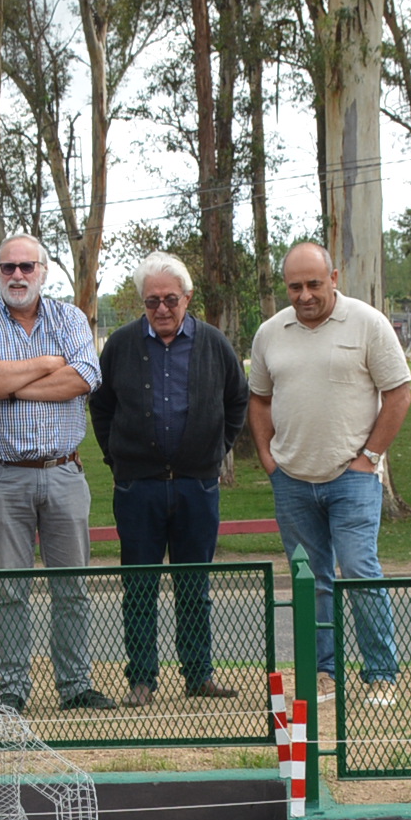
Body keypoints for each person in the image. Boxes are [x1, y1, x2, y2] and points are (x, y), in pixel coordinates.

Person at [248, 241, 411, 707]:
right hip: (292, 479)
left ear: (334, 278)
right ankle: (324, 673)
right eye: (295, 286)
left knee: (359, 570)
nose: (304, 296)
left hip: (352, 476)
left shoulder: (367, 323)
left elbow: (398, 393)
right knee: (312, 580)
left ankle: (381, 674)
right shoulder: (270, 333)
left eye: (314, 284)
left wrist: (370, 457)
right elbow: (258, 398)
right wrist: (268, 459)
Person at [0, 233, 110, 711]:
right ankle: (12, 690)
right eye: (8, 268)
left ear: (43, 270)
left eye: (26, 266)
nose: (17, 275)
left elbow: (86, 377)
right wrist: (46, 364)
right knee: (9, 590)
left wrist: (11, 385)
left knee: (73, 588)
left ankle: (75, 685)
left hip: (64, 472)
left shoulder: (71, 318)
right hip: (3, 475)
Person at [91, 252, 251, 707]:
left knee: (194, 585)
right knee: (139, 586)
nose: (162, 309)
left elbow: (237, 400)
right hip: (137, 486)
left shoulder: (214, 344)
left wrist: (215, 450)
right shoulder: (121, 346)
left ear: (187, 298)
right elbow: (101, 409)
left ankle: (199, 674)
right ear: (142, 303)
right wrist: (116, 457)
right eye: (152, 301)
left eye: (170, 300)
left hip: (196, 485)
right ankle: (142, 679)